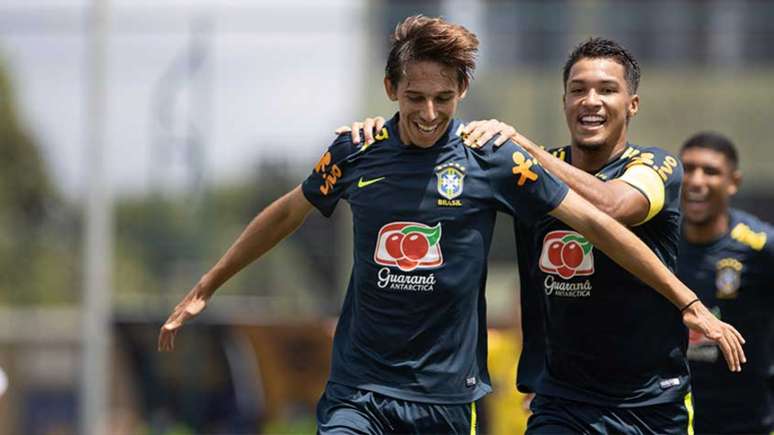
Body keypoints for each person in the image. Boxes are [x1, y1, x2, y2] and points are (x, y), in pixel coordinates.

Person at [160, 20, 743, 434]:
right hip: (367, 389)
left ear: (463, 92)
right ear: (391, 90)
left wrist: (688, 301)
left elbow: (603, 217)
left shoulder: (502, 159)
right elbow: (288, 210)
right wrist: (207, 285)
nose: (430, 113)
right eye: (415, 96)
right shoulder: (358, 149)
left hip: (466, 400)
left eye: (444, 97)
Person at [345, 37, 739, 433]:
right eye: (578, 90)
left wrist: (525, 147)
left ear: (631, 104)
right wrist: (383, 138)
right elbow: (435, 172)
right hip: (563, 402)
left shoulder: (655, 166)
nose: (591, 100)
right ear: (564, 100)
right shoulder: (523, 173)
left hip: (652, 400)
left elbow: (611, 207)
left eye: (607, 90)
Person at [677, 132, 774, 434]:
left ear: (733, 182)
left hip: (748, 422)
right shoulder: (658, 244)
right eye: (688, 169)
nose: (696, 180)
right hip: (673, 419)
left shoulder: (760, 247)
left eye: (710, 171)